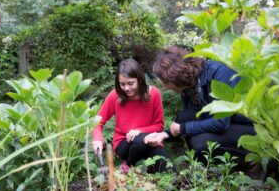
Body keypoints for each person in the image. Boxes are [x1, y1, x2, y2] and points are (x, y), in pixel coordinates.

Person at [144, 46, 261, 177]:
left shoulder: (218, 74)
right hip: (228, 124)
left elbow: (221, 122)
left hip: (251, 128)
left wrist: (183, 128)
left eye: (166, 82)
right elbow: (188, 116)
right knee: (185, 116)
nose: (165, 87)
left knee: (201, 142)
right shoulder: (188, 85)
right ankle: (213, 169)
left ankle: (251, 163)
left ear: (176, 76)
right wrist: (163, 135)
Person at [92, 59, 168, 173]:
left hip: (149, 141)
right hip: (124, 144)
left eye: (130, 83)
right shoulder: (115, 96)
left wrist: (139, 131)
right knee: (141, 139)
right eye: (122, 84)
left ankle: (159, 181)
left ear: (140, 80)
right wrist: (98, 139)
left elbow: (159, 126)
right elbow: (97, 121)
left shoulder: (154, 94)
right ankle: (127, 165)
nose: (126, 88)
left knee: (163, 160)